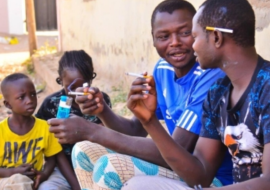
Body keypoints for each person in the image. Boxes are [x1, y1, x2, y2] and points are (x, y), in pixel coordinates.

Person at [48, 0, 232, 189]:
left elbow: (179, 148)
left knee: (109, 167)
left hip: (210, 179)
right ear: (153, 39)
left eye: (185, 33)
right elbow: (136, 130)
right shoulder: (163, 69)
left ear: (197, 32)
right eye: (164, 36)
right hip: (175, 166)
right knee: (83, 150)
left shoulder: (210, 75)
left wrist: (92, 131)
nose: (175, 42)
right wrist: (102, 110)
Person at [121, 0, 270, 189]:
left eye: (193, 36)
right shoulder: (218, 93)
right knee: (137, 186)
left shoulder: (266, 87)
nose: (193, 46)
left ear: (216, 37)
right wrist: (149, 122)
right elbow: (199, 175)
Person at [36, 50, 111, 190]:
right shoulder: (51, 104)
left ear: (91, 78)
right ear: (60, 80)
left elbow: (107, 135)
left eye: (83, 86)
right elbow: (48, 144)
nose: (78, 92)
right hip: (62, 168)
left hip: (94, 164)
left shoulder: (101, 100)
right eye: (71, 87)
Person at [0, 73, 62, 190]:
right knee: (20, 181)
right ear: (8, 104)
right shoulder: (1, 131)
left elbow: (51, 159)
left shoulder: (44, 127)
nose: (29, 100)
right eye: (21, 97)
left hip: (32, 180)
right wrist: (14, 172)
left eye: (33, 94)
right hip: (5, 180)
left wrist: (44, 174)